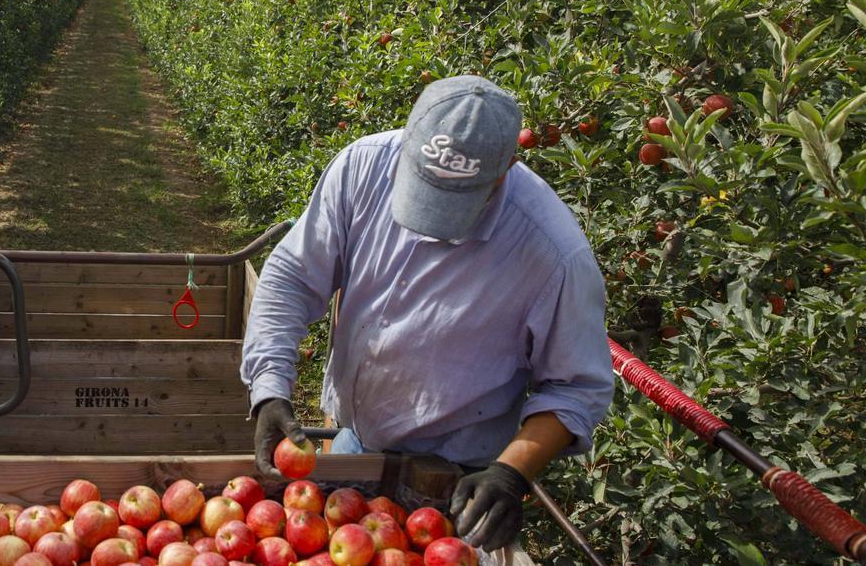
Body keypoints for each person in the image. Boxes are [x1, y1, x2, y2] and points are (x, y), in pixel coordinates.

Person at [241, 75, 614, 553]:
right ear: (409, 136)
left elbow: (576, 388)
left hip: (455, 484)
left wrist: (511, 471)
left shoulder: (553, 254)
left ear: (506, 168)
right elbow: (293, 276)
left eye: (455, 202)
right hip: (355, 443)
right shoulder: (363, 167)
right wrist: (270, 388)